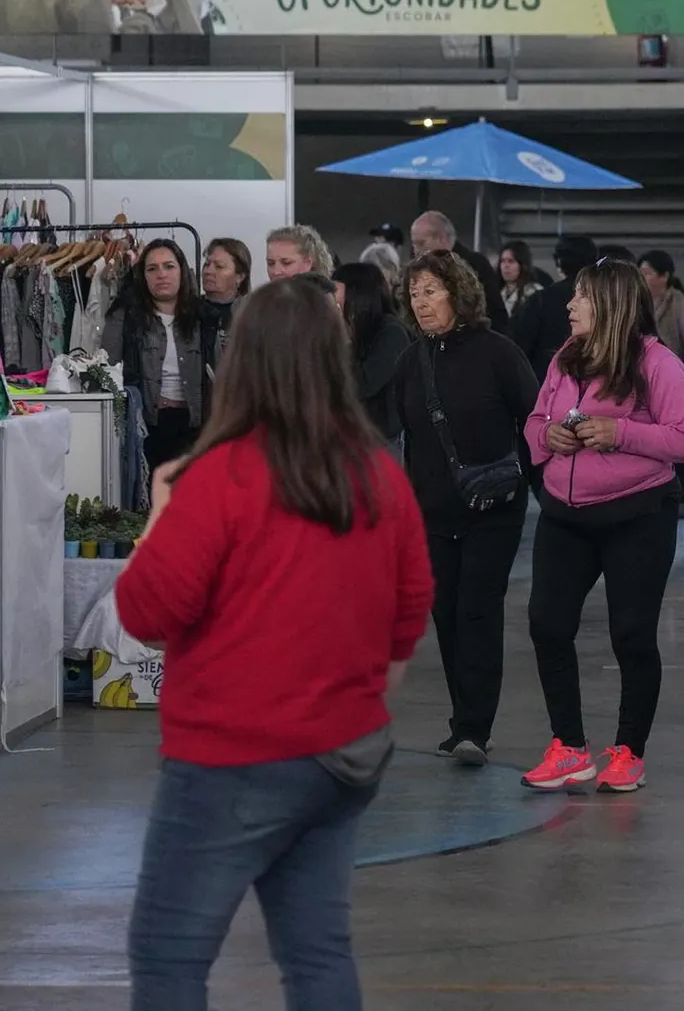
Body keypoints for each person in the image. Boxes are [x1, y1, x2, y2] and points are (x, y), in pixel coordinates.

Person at [116, 276, 433, 1011]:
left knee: (167, 956)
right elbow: (409, 612)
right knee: (317, 954)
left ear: (242, 362)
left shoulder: (218, 477)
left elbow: (145, 611)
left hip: (232, 761)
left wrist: (159, 513)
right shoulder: (378, 474)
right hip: (343, 756)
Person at [521, 259, 684, 793]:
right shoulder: (565, 357)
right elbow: (535, 420)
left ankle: (629, 752)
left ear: (612, 305)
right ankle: (569, 748)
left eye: (581, 296)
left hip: (638, 515)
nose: (570, 304)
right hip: (564, 513)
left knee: (631, 635)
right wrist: (548, 436)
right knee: (547, 625)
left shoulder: (658, 363)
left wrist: (619, 432)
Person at [395, 249, 538, 766]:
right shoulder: (411, 362)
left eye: (431, 291)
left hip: (494, 507)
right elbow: (407, 439)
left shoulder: (498, 353)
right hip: (433, 511)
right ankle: (463, 720)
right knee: (447, 614)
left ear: (458, 292)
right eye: (414, 293)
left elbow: (534, 420)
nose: (421, 302)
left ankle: (475, 727)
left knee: (477, 610)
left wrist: (532, 484)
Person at [102, 239, 205, 475]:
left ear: (182, 271)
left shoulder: (201, 315)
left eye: (169, 266)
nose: (161, 274)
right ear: (143, 276)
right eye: (152, 268)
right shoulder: (124, 316)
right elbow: (108, 370)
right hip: (146, 425)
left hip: (195, 426)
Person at [638, 249, 684, 519]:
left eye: (647, 273)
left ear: (664, 276)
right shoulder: (640, 302)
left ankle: (682, 495)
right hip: (645, 384)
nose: (643, 278)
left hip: (673, 383)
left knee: (678, 439)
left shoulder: (679, 305)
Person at [332, 262, 411, 447]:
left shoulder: (391, 332)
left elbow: (362, 385)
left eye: (336, 290)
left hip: (382, 439)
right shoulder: (352, 328)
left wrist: (343, 339)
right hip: (349, 434)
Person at [511, 234, 599, 383]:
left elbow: (520, 348)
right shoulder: (604, 299)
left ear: (559, 261)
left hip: (545, 382)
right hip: (591, 382)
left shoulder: (540, 299)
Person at [409, 210, 509, 332]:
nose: (416, 251)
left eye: (421, 243)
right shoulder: (417, 270)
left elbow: (496, 314)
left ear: (442, 238)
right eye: (414, 244)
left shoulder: (475, 265)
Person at [200, 237, 252, 370]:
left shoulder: (252, 313)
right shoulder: (190, 309)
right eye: (206, 264)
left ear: (240, 276)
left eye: (219, 267)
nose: (208, 271)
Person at [266, 225, 335, 281]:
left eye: (286, 263)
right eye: (270, 263)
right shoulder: (265, 293)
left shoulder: (328, 293)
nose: (276, 272)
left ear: (307, 263)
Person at [497, 240, 543, 318]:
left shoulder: (534, 292)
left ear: (522, 265)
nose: (505, 266)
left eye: (511, 261)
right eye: (503, 261)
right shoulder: (499, 293)